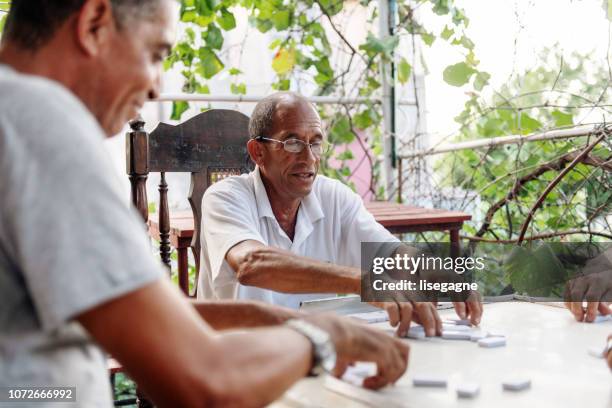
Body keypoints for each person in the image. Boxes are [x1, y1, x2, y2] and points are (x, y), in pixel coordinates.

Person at [0, 1, 410, 406]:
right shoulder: (42, 127)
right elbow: (205, 382)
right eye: (156, 53)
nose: (157, 87)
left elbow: (156, 317)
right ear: (93, 22)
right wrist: (326, 336)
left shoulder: (15, 116)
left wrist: (449, 278)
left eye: (315, 142)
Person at [197, 91, 483, 337]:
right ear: (258, 152)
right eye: (292, 143)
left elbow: (391, 253)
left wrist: (441, 274)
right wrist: (366, 282)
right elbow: (251, 264)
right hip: (237, 367)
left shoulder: (333, 196)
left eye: (316, 142)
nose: (309, 157)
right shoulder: (225, 197)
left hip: (311, 356)